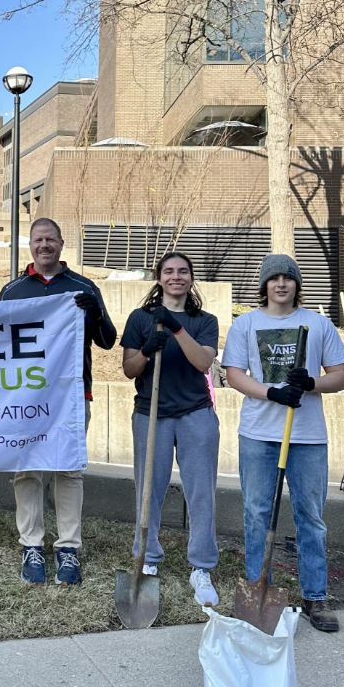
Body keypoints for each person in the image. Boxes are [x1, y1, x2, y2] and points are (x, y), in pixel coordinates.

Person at [222, 254, 344, 633]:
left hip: (307, 437)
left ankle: (316, 596)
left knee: (311, 517)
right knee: (256, 514)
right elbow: (233, 375)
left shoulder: (317, 324)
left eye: (288, 278)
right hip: (259, 435)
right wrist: (271, 393)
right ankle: (259, 588)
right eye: (274, 278)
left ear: (297, 285)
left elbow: (340, 375)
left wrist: (312, 383)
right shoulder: (246, 324)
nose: (281, 284)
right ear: (264, 285)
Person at [0, 217, 117, 586]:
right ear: (30, 245)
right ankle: (31, 544)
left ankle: (68, 547)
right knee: (27, 469)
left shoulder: (83, 287)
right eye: (38, 239)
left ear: (62, 244)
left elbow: (109, 340)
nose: (44, 245)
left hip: (71, 396)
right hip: (25, 395)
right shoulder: (12, 291)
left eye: (51, 239)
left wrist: (94, 312)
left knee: (68, 470)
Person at [121, 252, 221, 607]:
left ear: (191, 279)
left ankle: (202, 567)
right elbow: (130, 369)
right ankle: (147, 558)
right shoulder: (140, 318)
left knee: (201, 493)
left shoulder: (204, 320)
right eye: (169, 272)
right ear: (159, 278)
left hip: (196, 414)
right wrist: (148, 349)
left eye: (183, 272)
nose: (176, 277)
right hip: (151, 414)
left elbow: (204, 362)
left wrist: (176, 328)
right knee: (149, 491)